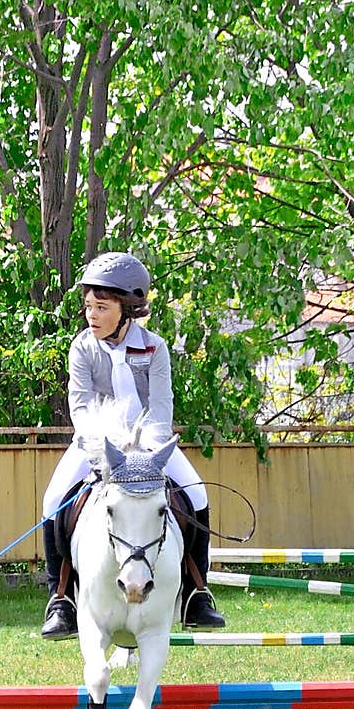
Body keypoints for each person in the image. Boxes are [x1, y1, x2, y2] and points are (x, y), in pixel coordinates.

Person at [40, 250, 226, 640]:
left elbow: (160, 409)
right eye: (88, 306)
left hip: (149, 446)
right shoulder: (82, 347)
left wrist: (148, 457)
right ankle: (61, 600)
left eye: (101, 307)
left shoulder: (155, 348)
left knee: (197, 494)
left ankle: (197, 594)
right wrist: (101, 452)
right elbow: (81, 404)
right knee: (53, 499)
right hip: (96, 445)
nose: (91, 315)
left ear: (127, 309)